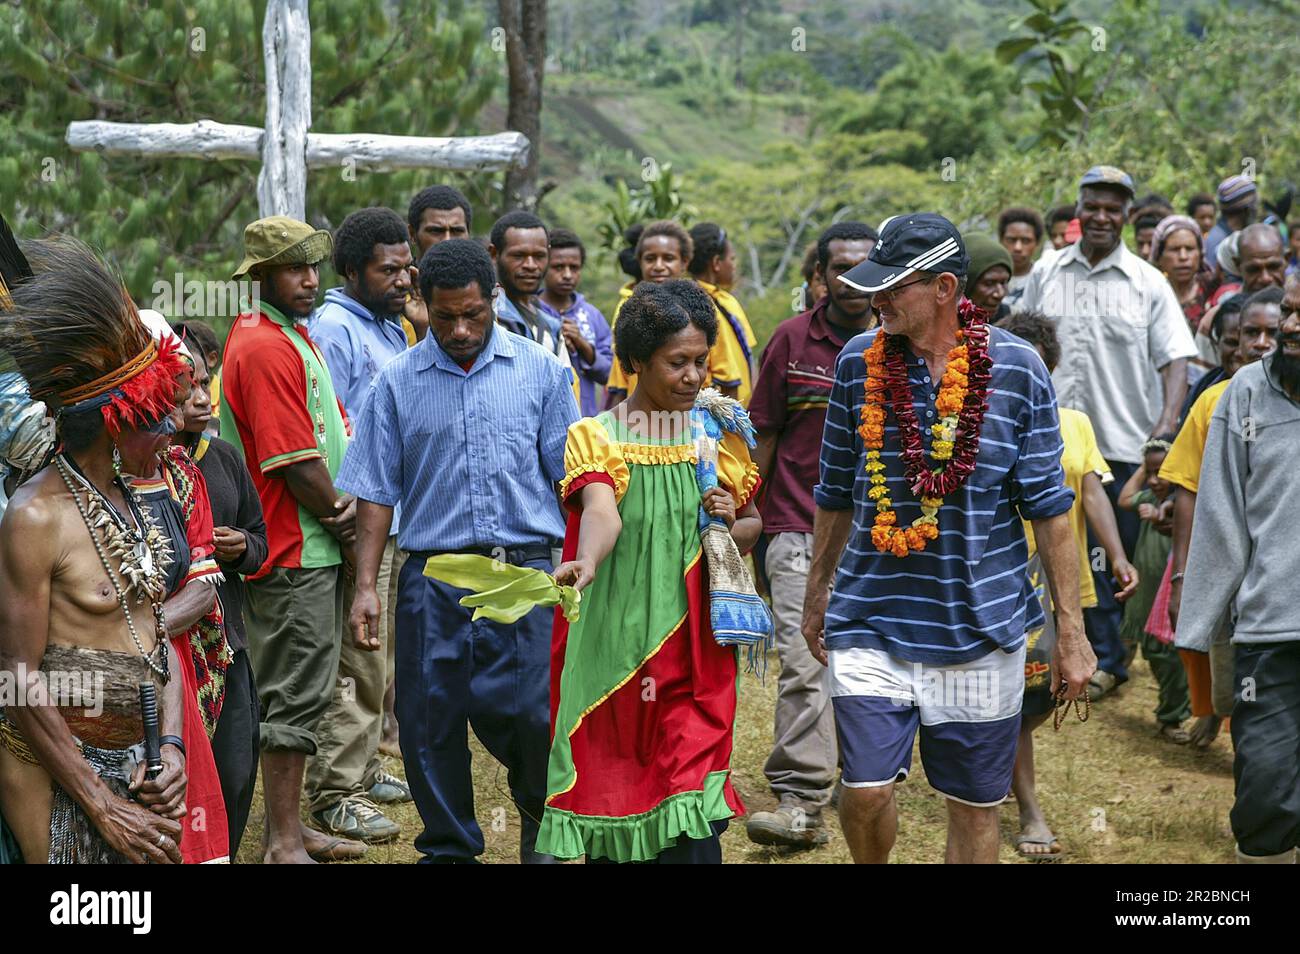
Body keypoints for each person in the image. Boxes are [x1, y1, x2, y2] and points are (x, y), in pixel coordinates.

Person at [808, 213, 1093, 864]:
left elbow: (1050, 510)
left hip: (980, 626)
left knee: (973, 806)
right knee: (866, 789)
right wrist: (815, 594)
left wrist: (1071, 632)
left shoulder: (1018, 369)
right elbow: (834, 490)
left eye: (892, 287)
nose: (874, 299)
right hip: (869, 617)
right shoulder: (859, 363)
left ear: (943, 289)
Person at [337, 239, 578, 864]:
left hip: (524, 571)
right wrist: (366, 586)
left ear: (493, 299)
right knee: (428, 721)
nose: (461, 329)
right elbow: (375, 494)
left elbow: (574, 484)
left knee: (532, 714)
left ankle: (543, 836)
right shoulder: (396, 382)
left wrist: (583, 566)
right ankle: (448, 848)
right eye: (445, 318)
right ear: (424, 305)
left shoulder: (544, 373)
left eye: (473, 314)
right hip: (432, 578)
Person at [537, 278, 762, 863]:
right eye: (677, 363)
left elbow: (751, 528)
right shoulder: (597, 436)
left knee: (691, 795)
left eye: (701, 363)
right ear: (635, 362)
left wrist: (729, 517)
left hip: (694, 644)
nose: (693, 377)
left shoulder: (715, 434)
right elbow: (601, 511)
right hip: (614, 642)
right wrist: (585, 559)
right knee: (618, 784)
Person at [0, 239, 191, 864]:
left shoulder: (132, 498)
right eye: (155, 420)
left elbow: (155, 641)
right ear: (114, 423)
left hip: (138, 760)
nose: (171, 433)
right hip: (48, 765)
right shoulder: (35, 517)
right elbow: (17, 679)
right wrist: (99, 803)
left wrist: (171, 749)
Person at [1017, 165, 1196, 700]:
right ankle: (1046, 653)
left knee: (1103, 550)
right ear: (1078, 208)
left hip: (1120, 444)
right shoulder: (1048, 271)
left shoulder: (1148, 283)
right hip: (1048, 438)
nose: (1100, 216)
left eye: (1111, 208)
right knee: (1048, 546)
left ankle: (1110, 661)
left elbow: (1176, 360)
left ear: (1127, 215)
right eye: (1091, 205)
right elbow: (1021, 341)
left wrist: (1165, 426)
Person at [222, 216, 362, 864]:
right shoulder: (264, 346)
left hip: (312, 546)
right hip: (291, 549)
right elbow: (293, 461)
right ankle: (281, 841)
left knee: (306, 688)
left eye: (313, 267)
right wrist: (343, 514)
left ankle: (292, 828)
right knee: (292, 694)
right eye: (292, 269)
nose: (309, 280)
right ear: (261, 278)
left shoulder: (288, 334)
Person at [744, 221, 877, 849]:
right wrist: (748, 520)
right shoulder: (791, 340)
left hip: (886, 539)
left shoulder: (898, 342)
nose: (852, 279)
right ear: (818, 276)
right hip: (799, 533)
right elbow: (763, 434)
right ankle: (799, 800)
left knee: (872, 667)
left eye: (864, 265)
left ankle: (869, 783)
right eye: (839, 268)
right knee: (804, 664)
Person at [995, 309, 1136, 859]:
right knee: (1018, 698)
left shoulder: (1073, 422)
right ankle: (1029, 808)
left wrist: (1118, 557)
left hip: (1062, 583)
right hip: (1010, 585)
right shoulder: (989, 420)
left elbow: (1093, 491)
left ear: (1048, 368)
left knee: (1045, 696)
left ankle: (1002, 770)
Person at [1176, 273, 1300, 863]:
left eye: (1299, 316)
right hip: (1268, 631)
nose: (1289, 327)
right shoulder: (1245, 393)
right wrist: (1199, 626)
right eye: (1289, 314)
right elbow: (1220, 515)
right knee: (1266, 788)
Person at [306, 207, 416, 841]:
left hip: (393, 516)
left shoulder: (391, 327)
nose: (404, 279)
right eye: (389, 269)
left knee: (381, 655)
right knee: (356, 655)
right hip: (359, 518)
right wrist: (346, 515)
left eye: (407, 267)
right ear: (351, 270)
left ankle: (366, 761)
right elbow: (329, 426)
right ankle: (335, 792)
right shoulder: (336, 327)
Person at [1163, 286, 1282, 749]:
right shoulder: (1215, 400)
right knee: (1225, 652)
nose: (1259, 342)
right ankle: (1224, 723)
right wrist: (1182, 574)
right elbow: (1187, 487)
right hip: (1232, 563)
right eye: (1249, 333)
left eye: (1271, 331)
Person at [172, 335, 268, 858]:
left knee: (234, 768)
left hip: (226, 639)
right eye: (186, 388)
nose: (201, 399)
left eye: (205, 383)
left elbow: (260, 541)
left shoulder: (225, 459)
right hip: (175, 644)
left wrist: (242, 547)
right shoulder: (143, 467)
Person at [1116, 437, 1189, 742]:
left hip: (1171, 596)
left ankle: (1172, 717)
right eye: (1151, 473)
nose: (1156, 480)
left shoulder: (1183, 505)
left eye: (1163, 472)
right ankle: (1170, 710)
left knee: (1171, 657)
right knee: (1155, 654)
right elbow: (1123, 499)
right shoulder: (1149, 497)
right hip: (1147, 594)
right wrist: (1143, 467)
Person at [488, 211, 574, 379]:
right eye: (518, 256)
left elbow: (564, 390)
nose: (530, 265)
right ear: (494, 254)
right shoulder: (484, 313)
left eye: (539, 256)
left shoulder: (552, 326)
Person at [538, 227, 613, 418]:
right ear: (544, 265)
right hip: (540, 416)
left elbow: (610, 374)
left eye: (574, 268)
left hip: (584, 418)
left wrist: (582, 344)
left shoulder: (591, 315)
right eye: (558, 267)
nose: (567, 274)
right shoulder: (531, 311)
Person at [689, 222, 760, 404]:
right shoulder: (701, 304)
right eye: (732, 259)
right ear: (716, 263)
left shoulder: (726, 301)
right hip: (717, 415)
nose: (734, 266)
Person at [405, 184, 474, 343]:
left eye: (457, 231)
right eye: (436, 231)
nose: (447, 241)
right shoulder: (398, 295)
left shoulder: (484, 295)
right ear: (412, 234)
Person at [1149, 214, 1213, 380]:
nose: (1183, 256)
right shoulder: (1149, 295)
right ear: (1159, 256)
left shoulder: (1212, 292)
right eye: (1174, 249)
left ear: (1200, 253)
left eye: (1190, 249)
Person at [1204, 174, 1258, 273]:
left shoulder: (1236, 235)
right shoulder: (1217, 242)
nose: (1257, 210)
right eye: (1254, 205)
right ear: (1247, 210)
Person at [962, 232, 1013, 321]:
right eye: (989, 283)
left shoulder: (1008, 320)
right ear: (966, 284)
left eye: (1003, 282)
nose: (1000, 293)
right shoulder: (939, 324)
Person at [998, 207, 1045, 300]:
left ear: (1037, 243)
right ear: (1001, 240)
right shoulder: (988, 279)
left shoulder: (1045, 280)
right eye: (1011, 240)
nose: (1017, 248)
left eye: (1026, 241)